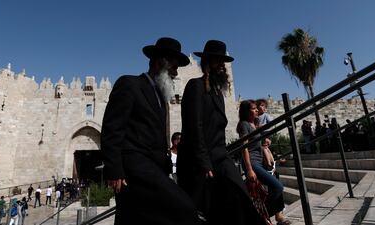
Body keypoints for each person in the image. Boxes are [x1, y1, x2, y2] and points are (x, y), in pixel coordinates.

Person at [101, 37, 200, 225]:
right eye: (174, 67)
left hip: (153, 169)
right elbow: (112, 129)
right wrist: (114, 170)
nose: (175, 73)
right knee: (184, 208)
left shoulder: (161, 98)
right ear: (160, 62)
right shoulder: (130, 84)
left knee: (134, 218)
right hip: (134, 167)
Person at [177, 40, 265, 225]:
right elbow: (194, 127)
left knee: (240, 199)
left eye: (223, 63)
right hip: (201, 163)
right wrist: (204, 162)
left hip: (220, 156)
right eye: (218, 61)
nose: (222, 67)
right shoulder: (196, 86)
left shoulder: (218, 93)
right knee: (211, 210)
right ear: (207, 63)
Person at [237, 100, 291, 225]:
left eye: (257, 108)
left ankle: (277, 215)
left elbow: (259, 142)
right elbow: (244, 148)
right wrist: (249, 170)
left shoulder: (255, 124)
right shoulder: (244, 125)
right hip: (252, 163)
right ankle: (257, 216)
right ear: (246, 111)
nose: (257, 110)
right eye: (253, 108)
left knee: (276, 178)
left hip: (260, 162)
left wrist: (265, 141)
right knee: (278, 187)